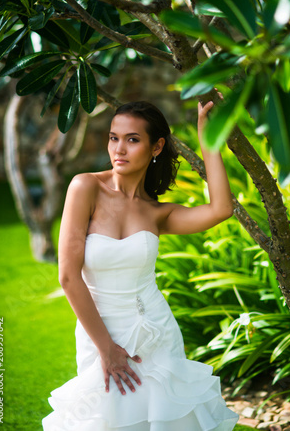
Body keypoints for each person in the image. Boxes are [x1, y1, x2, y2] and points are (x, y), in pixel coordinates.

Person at [42, 100, 239, 431]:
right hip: (99, 332)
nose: (119, 149)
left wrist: (209, 137)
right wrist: (107, 350)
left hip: (157, 333)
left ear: (156, 146)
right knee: (106, 419)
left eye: (132, 139)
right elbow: (68, 277)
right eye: (113, 137)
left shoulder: (156, 212)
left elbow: (221, 209)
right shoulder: (85, 186)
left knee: (162, 420)